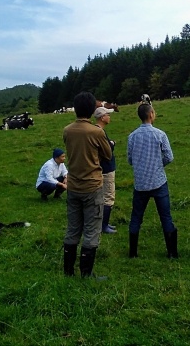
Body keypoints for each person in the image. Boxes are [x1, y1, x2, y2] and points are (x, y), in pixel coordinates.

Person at [62, 92, 112, 279]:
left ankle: (68, 271)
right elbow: (107, 154)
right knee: (92, 229)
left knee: (73, 227)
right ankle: (86, 273)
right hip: (92, 186)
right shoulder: (96, 132)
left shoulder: (67, 130)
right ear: (92, 110)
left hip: (73, 186)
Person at [127, 103, 178, 259]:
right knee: (165, 217)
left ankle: (133, 252)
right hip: (158, 181)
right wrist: (157, 164)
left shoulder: (132, 136)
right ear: (151, 115)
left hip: (140, 183)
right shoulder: (160, 134)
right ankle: (172, 252)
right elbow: (169, 157)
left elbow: (130, 160)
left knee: (136, 217)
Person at [94, 106, 117, 234]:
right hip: (106, 169)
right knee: (108, 197)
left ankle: (101, 223)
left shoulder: (94, 131)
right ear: (102, 118)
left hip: (99, 168)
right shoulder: (100, 132)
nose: (109, 117)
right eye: (108, 114)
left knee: (100, 197)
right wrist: (112, 144)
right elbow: (106, 151)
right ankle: (104, 226)